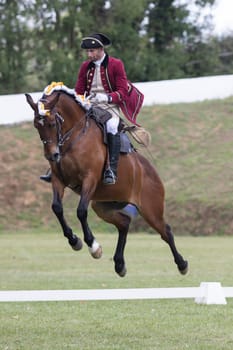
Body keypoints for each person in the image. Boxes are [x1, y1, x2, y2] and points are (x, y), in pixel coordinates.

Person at [40, 32, 143, 184]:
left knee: (112, 126)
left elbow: (122, 91)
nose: (89, 54)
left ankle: (111, 170)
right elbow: (79, 90)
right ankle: (56, 168)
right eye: (87, 51)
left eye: (92, 51)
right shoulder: (85, 67)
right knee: (66, 124)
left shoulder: (116, 64)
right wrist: (82, 100)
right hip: (89, 105)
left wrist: (107, 97)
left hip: (109, 106)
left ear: (101, 49)